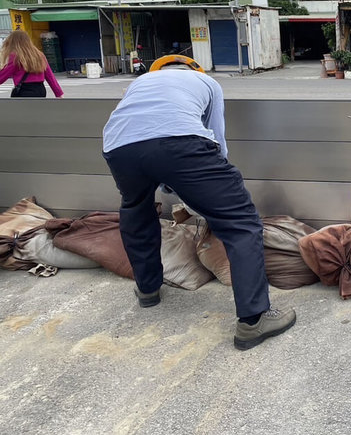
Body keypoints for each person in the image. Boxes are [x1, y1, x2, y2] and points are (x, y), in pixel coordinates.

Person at [101, 56, 295, 351]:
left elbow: (144, 134)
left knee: (136, 210)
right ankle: (254, 319)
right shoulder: (207, 82)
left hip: (117, 146)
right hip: (180, 143)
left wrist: (173, 179)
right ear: (194, 70)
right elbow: (215, 137)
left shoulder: (139, 82)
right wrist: (218, 189)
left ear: (158, 70)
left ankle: (148, 288)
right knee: (240, 223)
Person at [0, 30, 64, 98]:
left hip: (25, 90)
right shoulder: (39, 55)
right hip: (41, 90)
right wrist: (58, 93)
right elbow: (50, 76)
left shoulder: (15, 57)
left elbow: (2, 76)